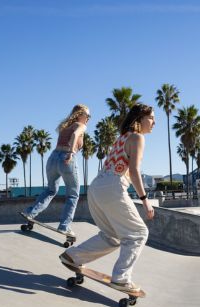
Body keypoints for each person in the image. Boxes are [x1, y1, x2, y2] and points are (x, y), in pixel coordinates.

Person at [59, 103, 155, 292]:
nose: (154, 122)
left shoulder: (122, 138)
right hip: (113, 186)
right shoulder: (137, 137)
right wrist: (145, 200)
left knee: (112, 236)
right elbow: (134, 171)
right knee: (138, 234)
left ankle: (74, 256)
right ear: (139, 119)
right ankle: (121, 278)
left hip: (97, 187)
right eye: (151, 118)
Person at [21, 104, 90, 236]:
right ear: (80, 114)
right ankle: (64, 226)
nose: (88, 119)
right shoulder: (80, 126)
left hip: (53, 158)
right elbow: (75, 135)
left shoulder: (64, 126)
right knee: (73, 195)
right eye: (87, 115)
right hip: (66, 159)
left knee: (50, 190)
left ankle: (30, 212)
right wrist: (70, 152)